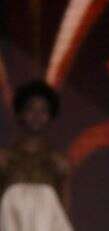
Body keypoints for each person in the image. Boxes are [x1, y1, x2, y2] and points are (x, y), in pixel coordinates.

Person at [0, 80, 73, 231]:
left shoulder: (58, 162)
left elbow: (62, 212)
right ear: (20, 113)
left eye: (43, 110)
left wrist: (64, 176)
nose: (37, 115)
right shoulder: (5, 158)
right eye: (30, 109)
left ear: (50, 116)